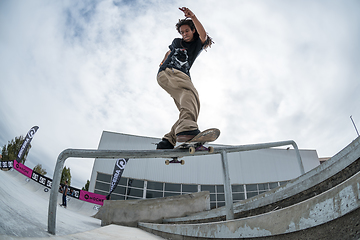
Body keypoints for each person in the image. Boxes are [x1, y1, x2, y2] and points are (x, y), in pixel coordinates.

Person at [156, 7, 213, 149]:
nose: (184, 34)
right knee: (190, 95)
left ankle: (168, 140)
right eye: (182, 32)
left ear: (193, 30)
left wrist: (193, 16)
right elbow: (169, 51)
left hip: (169, 77)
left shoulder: (196, 44)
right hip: (172, 73)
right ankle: (186, 129)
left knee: (189, 107)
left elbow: (203, 34)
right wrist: (163, 61)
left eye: (187, 31)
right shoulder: (176, 41)